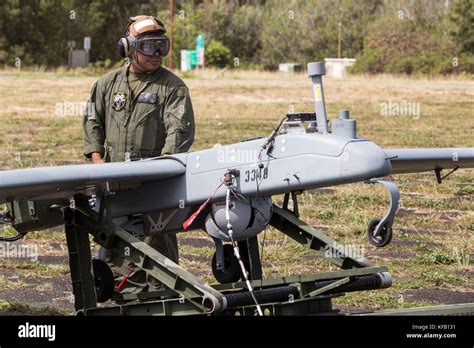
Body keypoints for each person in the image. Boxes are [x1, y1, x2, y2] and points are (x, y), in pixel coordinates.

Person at [83, 15, 195, 293]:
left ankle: (162, 295)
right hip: (114, 181)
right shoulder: (107, 84)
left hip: (154, 182)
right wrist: (97, 162)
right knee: (116, 238)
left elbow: (179, 131)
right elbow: (91, 121)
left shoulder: (173, 87)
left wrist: (162, 169)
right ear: (129, 48)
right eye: (149, 46)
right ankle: (123, 294)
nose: (157, 54)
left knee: (158, 240)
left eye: (162, 46)